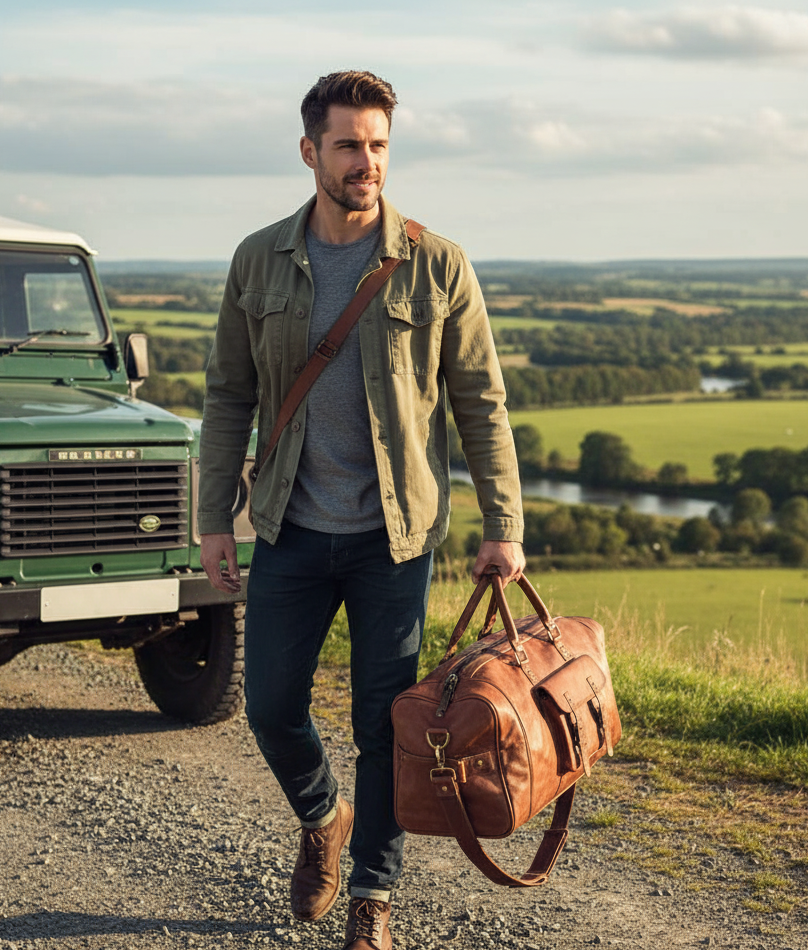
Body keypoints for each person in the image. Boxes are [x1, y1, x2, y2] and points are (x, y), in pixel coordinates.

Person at [198, 69, 525, 950]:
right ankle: (322, 817)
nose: (365, 162)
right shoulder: (256, 258)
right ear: (310, 151)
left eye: (378, 145)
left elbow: (481, 404)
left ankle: (372, 898)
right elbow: (228, 395)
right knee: (268, 704)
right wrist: (211, 519)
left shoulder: (437, 262)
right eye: (348, 145)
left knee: (387, 724)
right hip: (291, 529)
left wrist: (505, 527)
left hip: (394, 536)